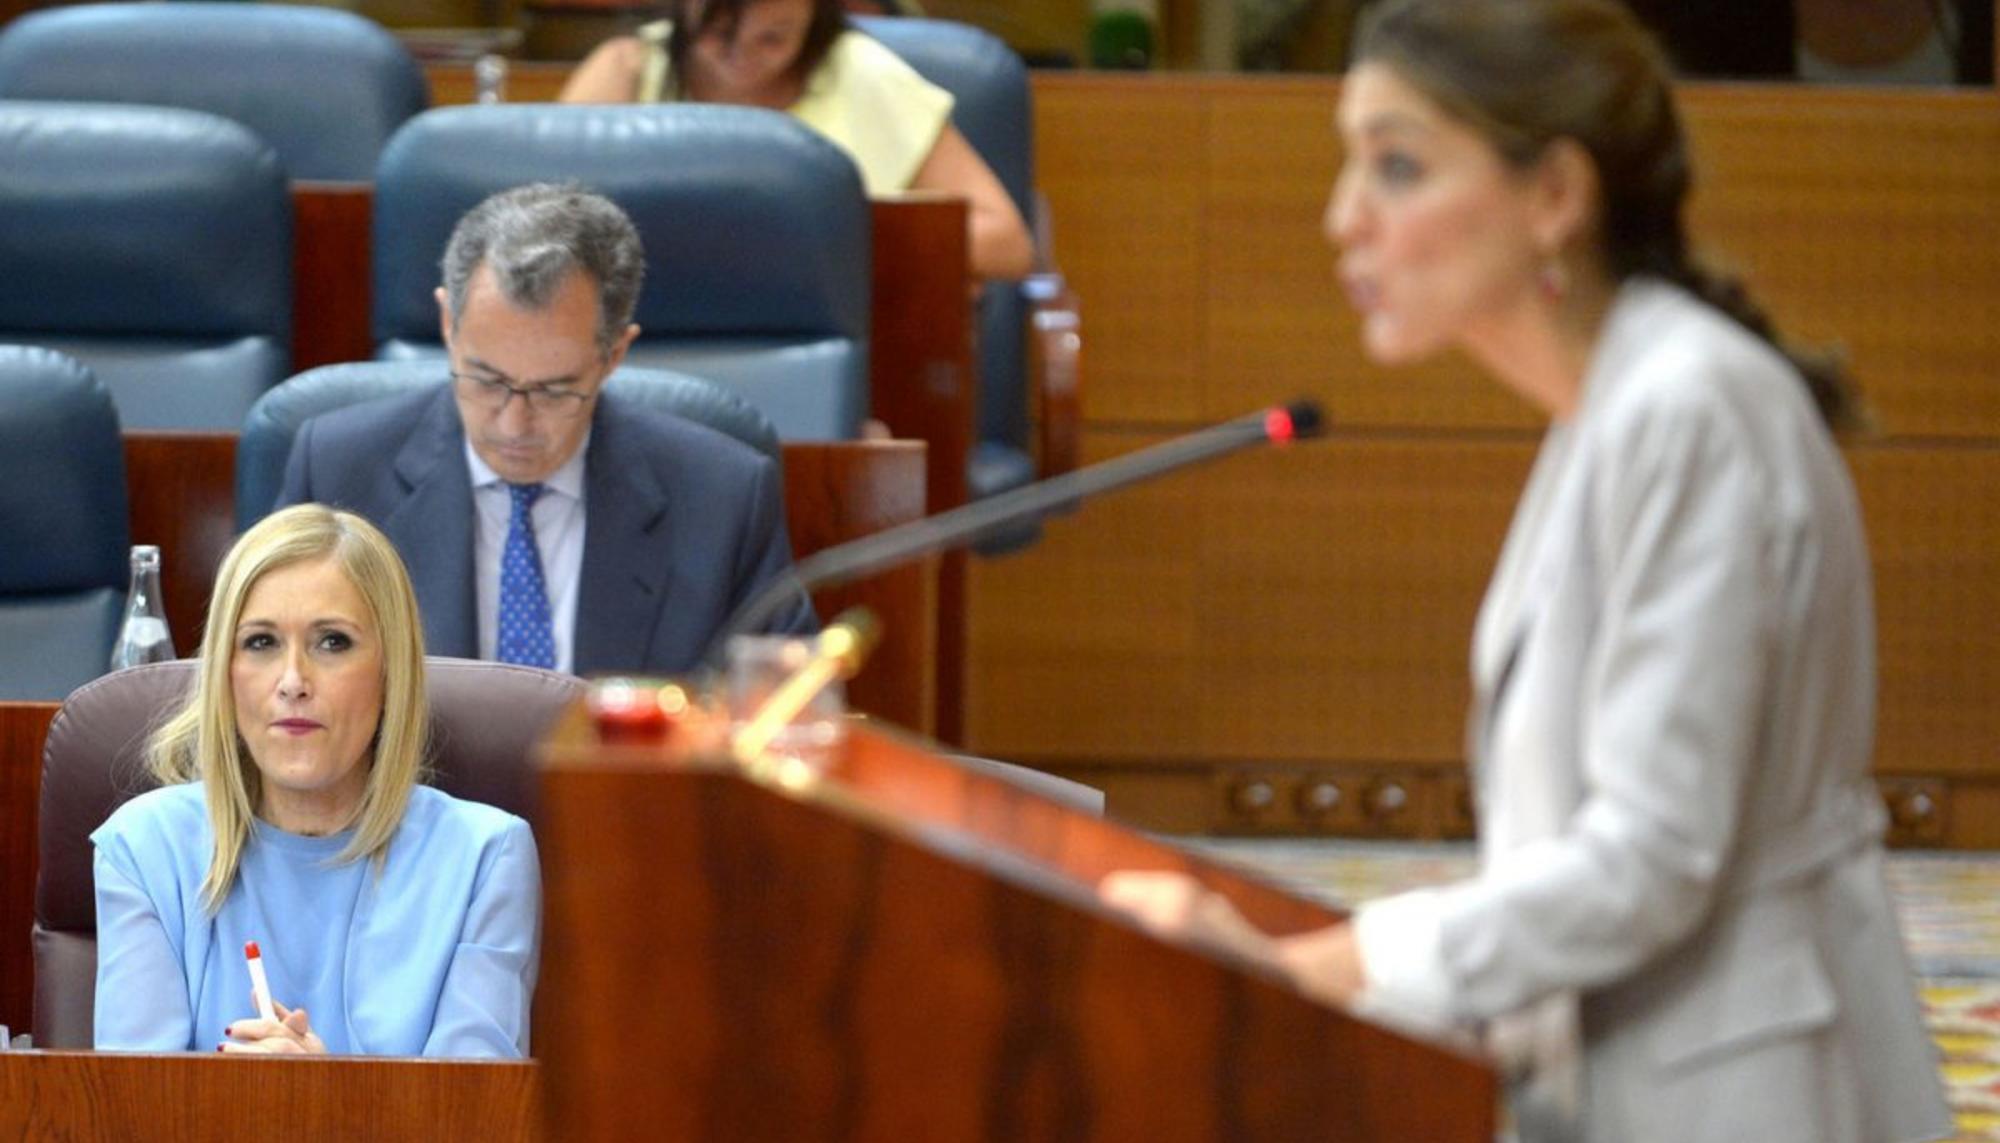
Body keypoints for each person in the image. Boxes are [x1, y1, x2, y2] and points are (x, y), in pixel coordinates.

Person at [1100, 1, 1952, 1139]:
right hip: (1640, 1052)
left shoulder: (1687, 409)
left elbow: (1651, 857)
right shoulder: (1611, 405)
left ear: (1553, 194)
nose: (1344, 218)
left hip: (1745, 1084)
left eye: (1397, 167)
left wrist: (1316, 969)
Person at [275, 182, 815, 677]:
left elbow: (787, 711)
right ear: (448, 325)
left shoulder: (724, 498)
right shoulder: (335, 473)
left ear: (614, 353)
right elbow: (263, 687)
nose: (515, 423)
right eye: (488, 380)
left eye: (554, 390)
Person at [93, 504, 538, 1056]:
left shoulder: (485, 857)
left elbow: (473, 1107)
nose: (293, 681)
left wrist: (322, 1097)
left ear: (391, 670)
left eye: (332, 642)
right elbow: (129, 1102)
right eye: (261, 642)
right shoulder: (143, 848)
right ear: (225, 675)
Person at [556, 0, 1034, 281]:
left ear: (813, 21)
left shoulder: (865, 75)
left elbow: (1006, 243)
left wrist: (827, 239)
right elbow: (544, 224)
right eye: (719, 32)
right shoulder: (625, 71)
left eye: (772, 39)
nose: (741, 57)